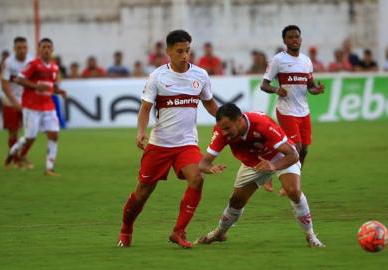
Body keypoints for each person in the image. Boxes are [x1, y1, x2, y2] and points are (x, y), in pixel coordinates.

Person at [117, 30, 218, 249]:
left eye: (188, 51)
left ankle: (178, 231)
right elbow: (145, 108)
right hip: (160, 144)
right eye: (180, 51)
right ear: (168, 52)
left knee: (197, 178)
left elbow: (209, 103)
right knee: (143, 192)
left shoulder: (200, 75)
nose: (185, 56)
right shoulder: (157, 77)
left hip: (187, 144)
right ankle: (126, 229)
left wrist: (224, 120)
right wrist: (141, 131)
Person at [195, 104, 325, 248]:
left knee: (293, 191)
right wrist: (211, 168)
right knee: (237, 201)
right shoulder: (221, 132)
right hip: (253, 164)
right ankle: (220, 233)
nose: (224, 132)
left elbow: (293, 155)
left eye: (227, 128)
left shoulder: (262, 124)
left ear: (239, 120)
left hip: (280, 157)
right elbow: (203, 164)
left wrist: (274, 166)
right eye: (222, 128)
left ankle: (311, 236)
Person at [260, 25, 325, 193]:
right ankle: (269, 177)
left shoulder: (306, 61)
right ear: (284, 40)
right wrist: (276, 89)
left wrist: (315, 90)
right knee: (294, 148)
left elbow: (310, 86)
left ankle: (293, 179)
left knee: (304, 150)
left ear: (301, 39)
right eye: (290, 37)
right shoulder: (278, 60)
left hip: (304, 111)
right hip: (286, 110)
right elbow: (264, 85)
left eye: (297, 36)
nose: (295, 40)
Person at [4, 38, 67, 176]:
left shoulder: (55, 67)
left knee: (54, 135)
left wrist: (59, 91)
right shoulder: (33, 64)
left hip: (48, 106)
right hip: (32, 106)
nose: (46, 49)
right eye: (43, 47)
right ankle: (12, 152)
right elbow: (18, 79)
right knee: (29, 137)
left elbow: (50, 85)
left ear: (52, 49)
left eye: (49, 47)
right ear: (39, 49)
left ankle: (49, 168)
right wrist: (36, 86)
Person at [1, 37, 32, 168]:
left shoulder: (31, 61)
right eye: (19, 48)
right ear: (14, 49)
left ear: (27, 48)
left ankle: (21, 156)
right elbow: (4, 85)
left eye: (24, 47)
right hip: (10, 100)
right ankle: (15, 160)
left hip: (26, 100)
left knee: (31, 132)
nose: (22, 50)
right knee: (13, 131)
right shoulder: (8, 62)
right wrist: (14, 102)